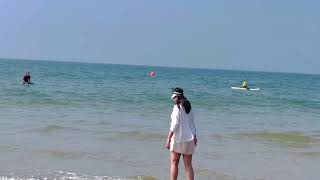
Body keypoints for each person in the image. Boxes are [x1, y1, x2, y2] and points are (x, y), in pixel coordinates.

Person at [166, 87, 197, 180]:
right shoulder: (189, 107)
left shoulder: (177, 107)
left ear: (176, 97)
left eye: (174, 98)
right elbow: (192, 123)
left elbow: (175, 124)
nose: (174, 100)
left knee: (174, 163)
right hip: (190, 138)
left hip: (178, 139)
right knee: (188, 166)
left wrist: (168, 138)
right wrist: (195, 136)